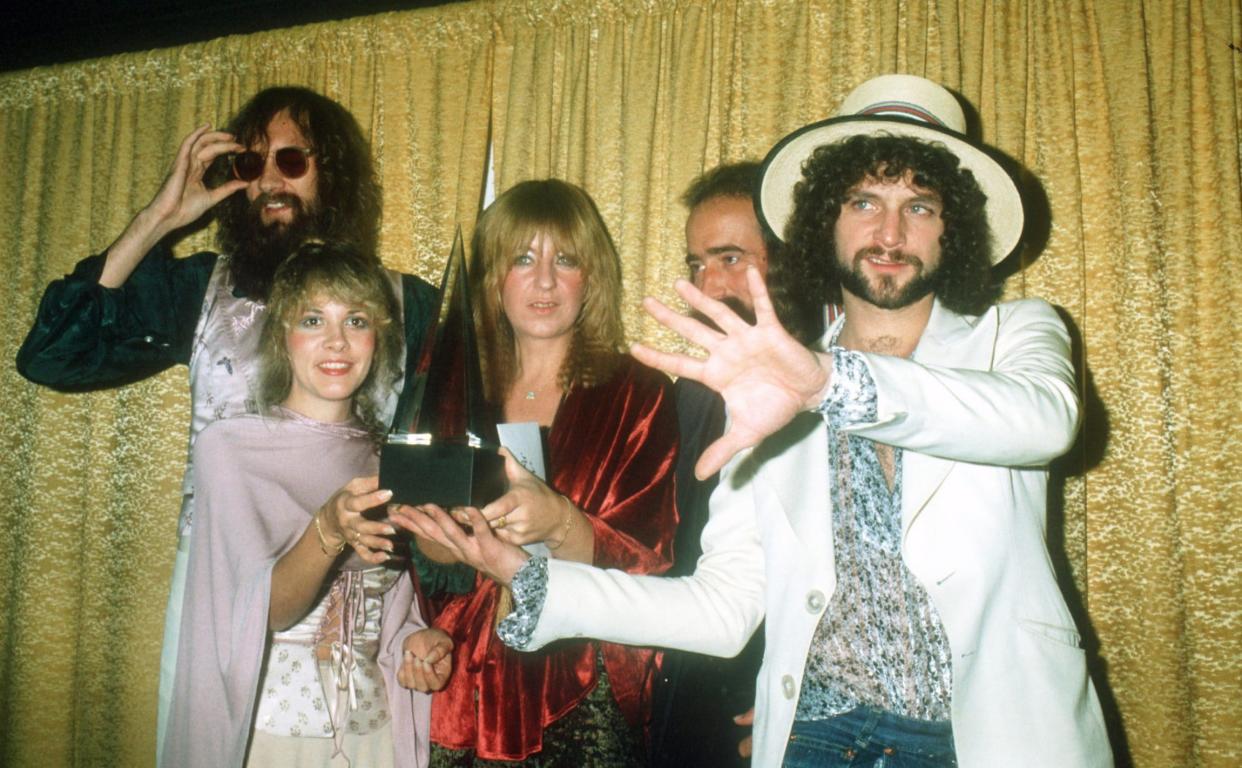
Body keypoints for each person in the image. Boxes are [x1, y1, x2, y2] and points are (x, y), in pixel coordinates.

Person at [400, 75, 1114, 767]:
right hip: (820, 739)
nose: (890, 230)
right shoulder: (768, 384)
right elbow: (720, 608)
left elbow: (1042, 422)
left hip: (994, 732)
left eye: (920, 206)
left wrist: (825, 383)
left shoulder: (1016, 334)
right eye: (864, 201)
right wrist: (524, 574)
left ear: (952, 226)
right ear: (822, 223)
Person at [14, 86, 440, 753]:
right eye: (249, 165)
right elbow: (53, 355)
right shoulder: (202, 289)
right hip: (217, 583)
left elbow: (440, 467)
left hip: (350, 600)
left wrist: (423, 623)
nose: (268, 179)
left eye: (292, 160)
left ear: (332, 172)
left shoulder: (404, 306)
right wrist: (160, 217)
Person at [389, 179, 680, 766]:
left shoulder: (639, 394)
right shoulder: (446, 387)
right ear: (494, 276)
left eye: (565, 260)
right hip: (462, 686)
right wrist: (439, 553)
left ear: (591, 277)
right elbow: (422, 564)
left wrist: (562, 524)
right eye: (523, 258)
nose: (544, 281)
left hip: (578, 690)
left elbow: (652, 569)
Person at [161, 241, 451, 767]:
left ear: (378, 338)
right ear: (281, 335)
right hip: (268, 736)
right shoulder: (229, 450)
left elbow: (390, 609)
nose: (337, 342)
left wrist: (419, 642)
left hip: (371, 737)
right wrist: (327, 530)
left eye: (357, 321)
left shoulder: (390, 459)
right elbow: (263, 613)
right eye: (314, 319)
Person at [650, 162, 774, 768]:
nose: (708, 286)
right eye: (697, 264)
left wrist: (797, 691)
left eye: (730, 259)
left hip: (782, 700)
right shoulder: (689, 393)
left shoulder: (835, 384)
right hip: (691, 689)